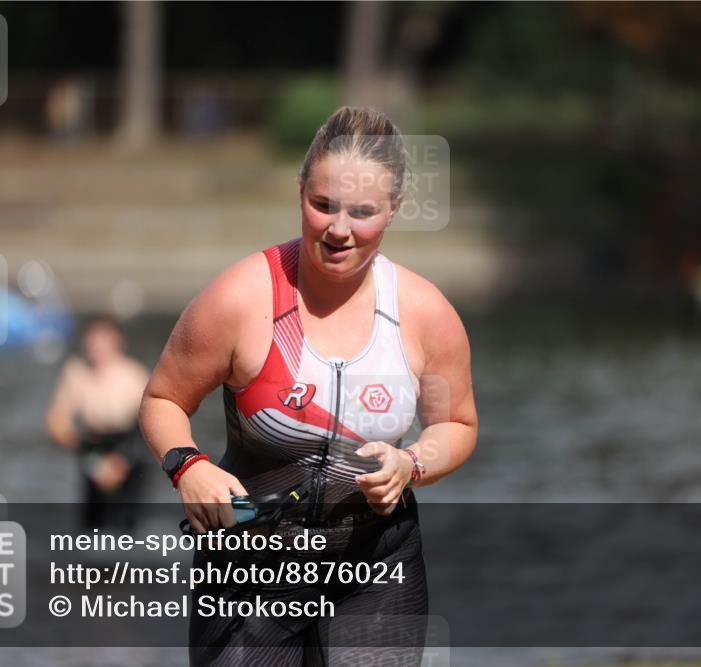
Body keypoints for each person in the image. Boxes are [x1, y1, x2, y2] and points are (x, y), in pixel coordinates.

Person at [140, 106, 478, 665]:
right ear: (300, 192)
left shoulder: (425, 314)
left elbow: (457, 425)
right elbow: (162, 399)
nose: (338, 229)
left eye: (362, 212)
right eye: (322, 205)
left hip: (375, 570)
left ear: (393, 210)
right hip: (249, 569)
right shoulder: (240, 299)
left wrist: (411, 464)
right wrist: (188, 465)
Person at [46, 317, 151, 531]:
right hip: (92, 449)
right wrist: (95, 461)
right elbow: (56, 424)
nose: (97, 349)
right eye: (92, 342)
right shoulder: (77, 373)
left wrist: (123, 462)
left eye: (103, 342)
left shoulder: (134, 375)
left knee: (128, 525)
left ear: (118, 343)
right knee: (92, 526)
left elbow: (150, 425)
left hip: (131, 449)